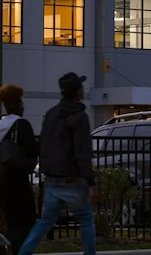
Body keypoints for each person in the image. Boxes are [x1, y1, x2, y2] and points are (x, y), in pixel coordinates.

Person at [18, 73, 99, 255]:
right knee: (86, 219)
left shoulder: (51, 114)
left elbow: (43, 145)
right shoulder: (80, 118)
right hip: (72, 179)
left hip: (52, 179)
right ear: (79, 92)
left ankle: (23, 253)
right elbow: (82, 153)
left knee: (45, 221)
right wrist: (91, 183)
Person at [0, 84, 39, 255]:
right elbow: (33, 151)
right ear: (16, 104)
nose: (23, 107)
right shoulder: (21, 125)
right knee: (26, 221)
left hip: (2, 182)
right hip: (19, 182)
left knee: (10, 221)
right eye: (21, 103)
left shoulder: (1, 125)